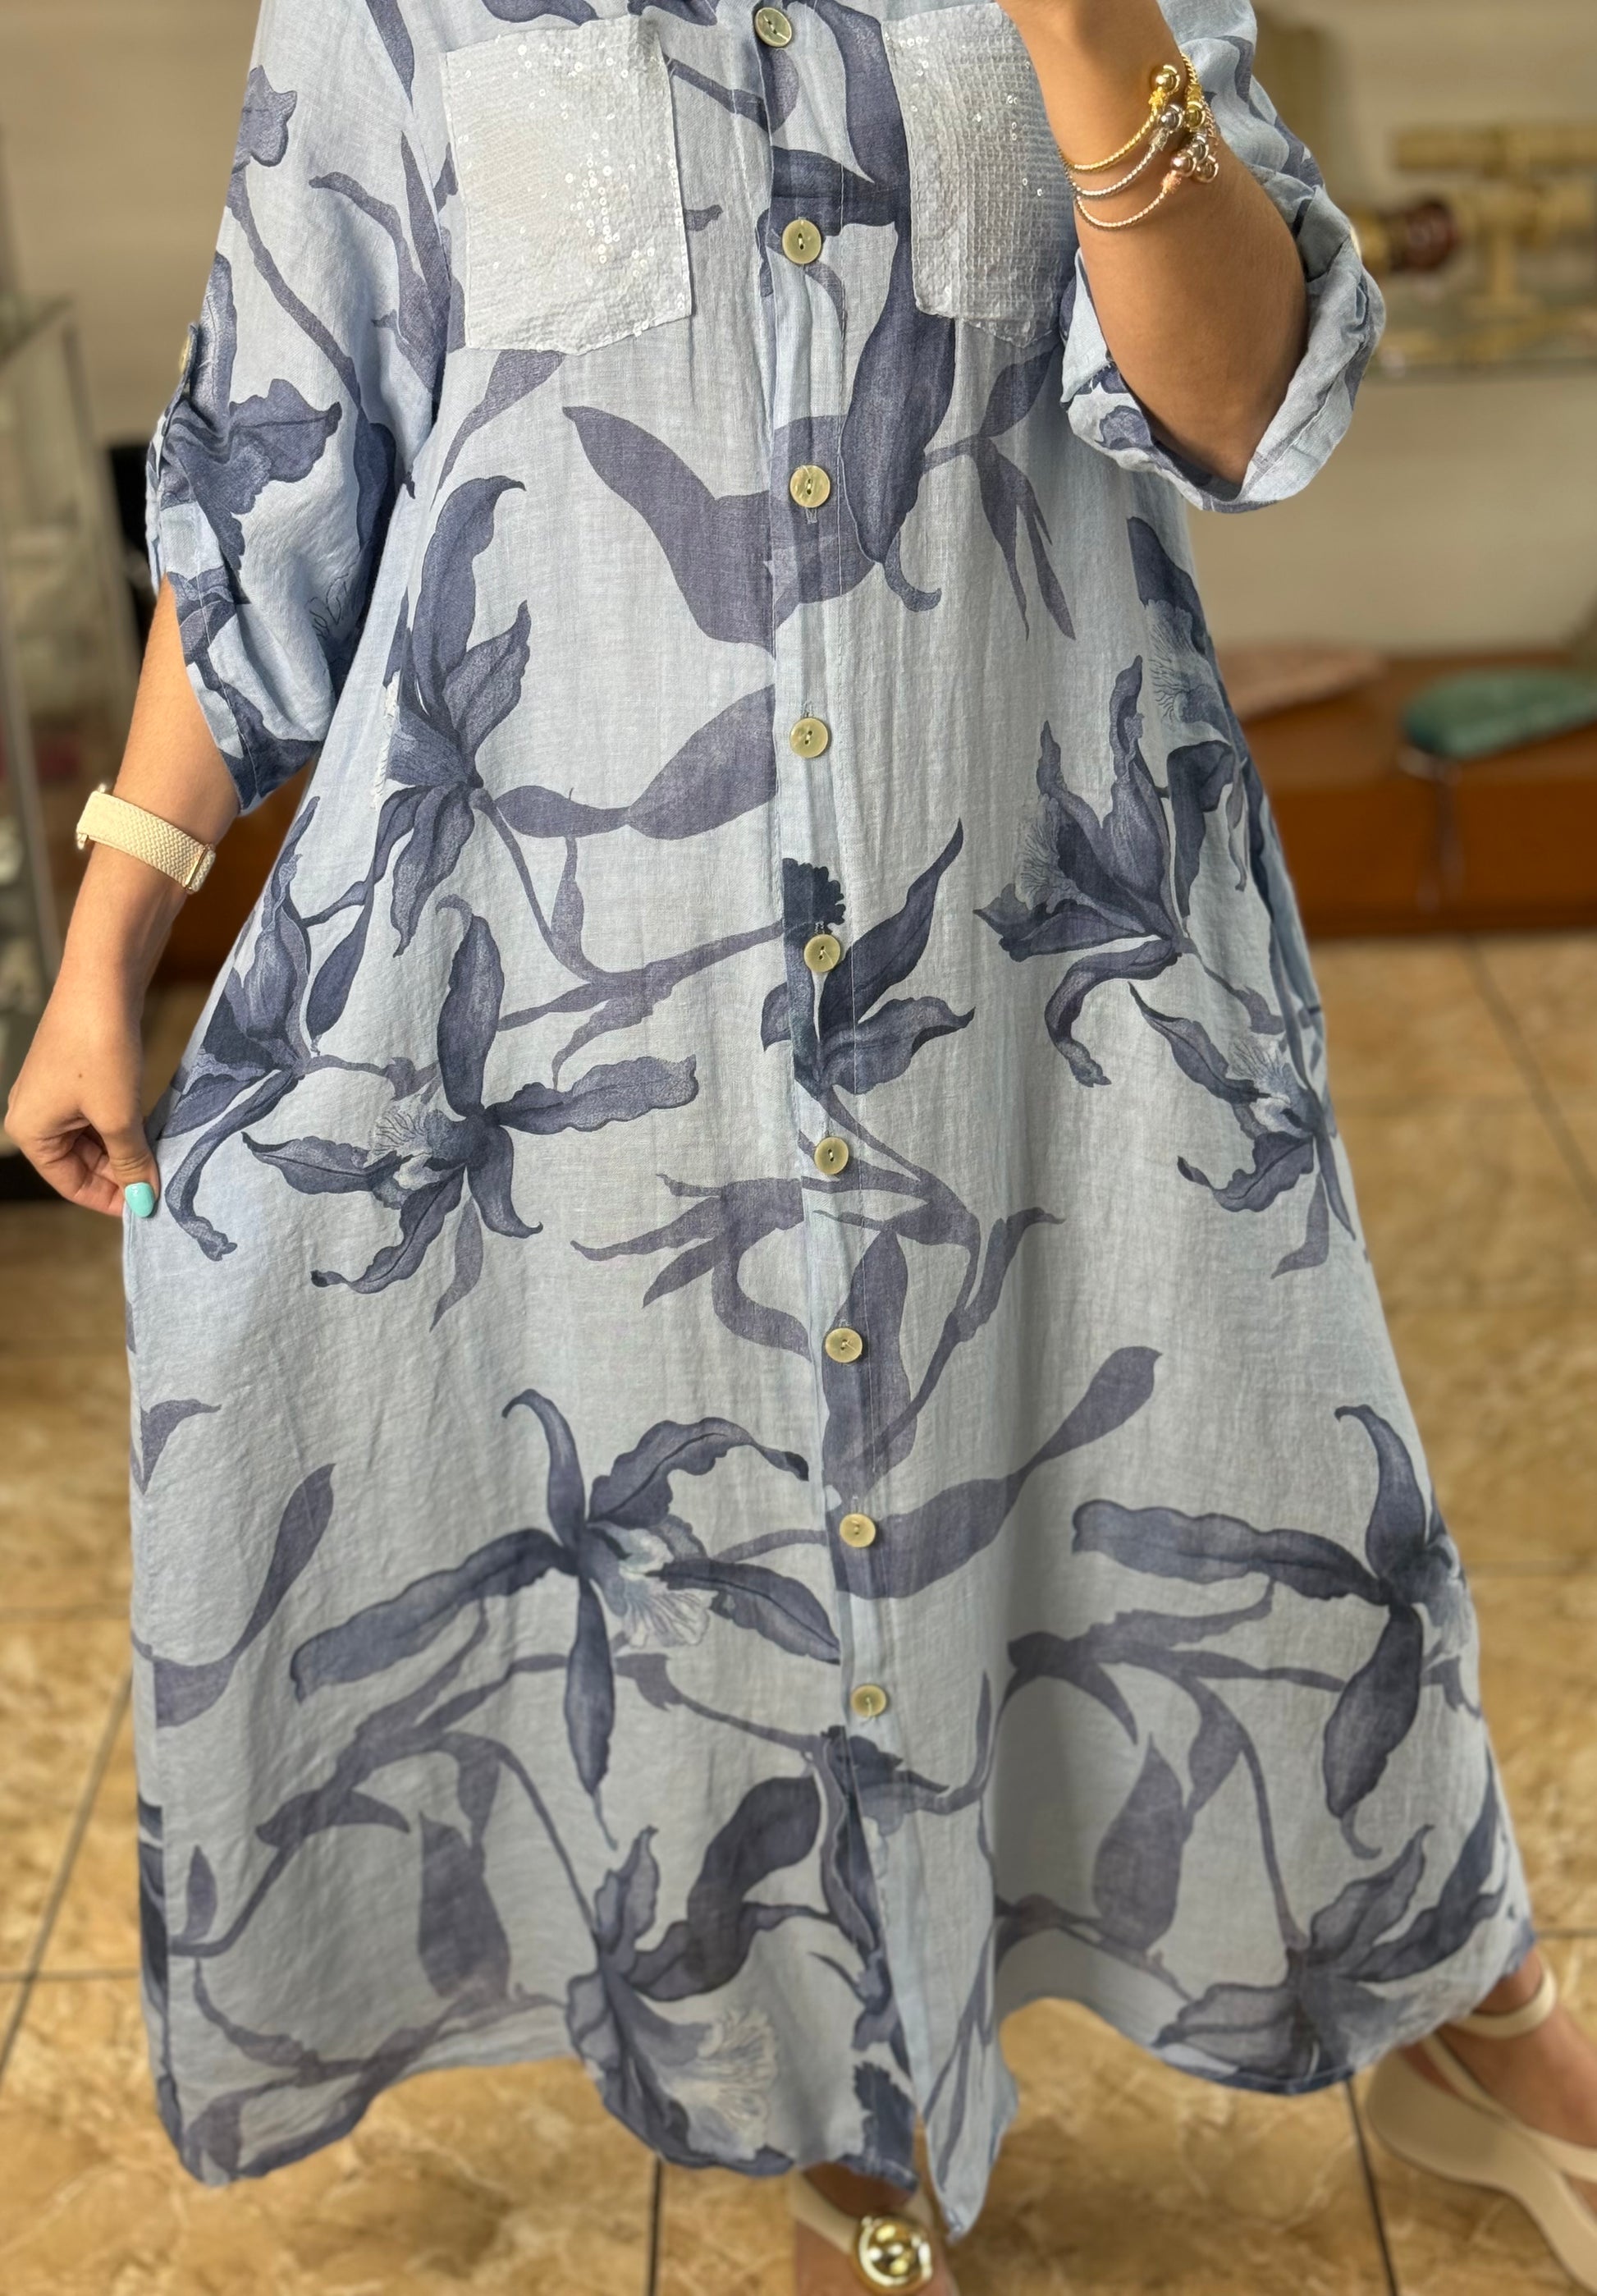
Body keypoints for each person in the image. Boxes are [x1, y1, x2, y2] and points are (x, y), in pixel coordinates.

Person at [10, 0, 1597, 2288]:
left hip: (1054, 960)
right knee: (703, 1558)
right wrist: (110, 932)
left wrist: (1079, 31)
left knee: (1261, 1485)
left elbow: (1242, 408)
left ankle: (1475, 2012)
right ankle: (859, 2113)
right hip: (572, 1000)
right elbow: (287, 443)